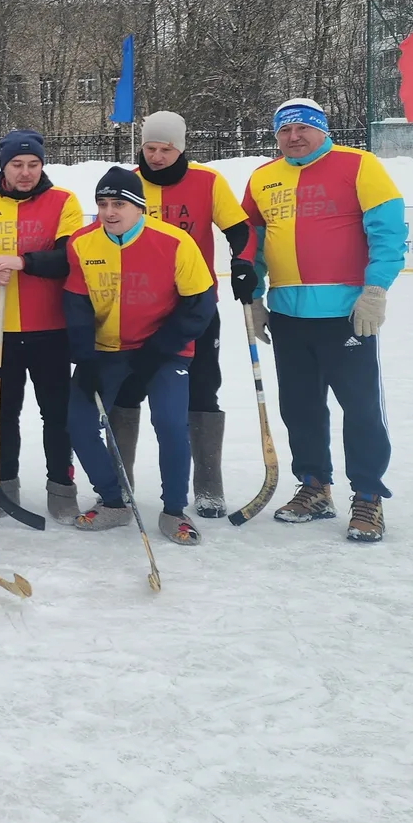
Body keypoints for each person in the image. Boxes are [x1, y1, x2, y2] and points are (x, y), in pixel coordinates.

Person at [242, 97, 404, 542]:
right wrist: (255, 296)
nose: (293, 138)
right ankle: (314, 487)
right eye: (284, 131)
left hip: (346, 316)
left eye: (302, 129)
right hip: (288, 315)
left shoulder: (359, 165)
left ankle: (368, 495)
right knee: (300, 408)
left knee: (361, 408)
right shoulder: (262, 178)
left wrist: (375, 290)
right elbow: (251, 244)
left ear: (322, 129)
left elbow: (388, 230)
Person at [108, 110, 253, 518]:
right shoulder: (128, 184)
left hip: (194, 305)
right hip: (135, 305)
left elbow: (239, 230)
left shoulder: (207, 182)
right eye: (150, 148)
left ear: (181, 147)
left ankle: (208, 484)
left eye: (165, 149)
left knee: (203, 388)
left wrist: (242, 263)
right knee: (127, 389)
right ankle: (121, 483)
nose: (156, 156)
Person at [63, 168, 216, 545]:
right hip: (106, 352)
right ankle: (114, 500)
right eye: (102, 204)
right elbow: (77, 304)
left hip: (163, 351)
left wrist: (157, 352)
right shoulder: (82, 242)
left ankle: (174, 510)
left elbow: (199, 306)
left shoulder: (175, 241)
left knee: (169, 423)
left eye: (119, 204)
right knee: (79, 423)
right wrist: (86, 359)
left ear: (139, 207)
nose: (109, 212)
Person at [0, 130, 85, 522]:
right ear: (3, 166)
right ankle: (0, 485)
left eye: (33, 165)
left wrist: (24, 262)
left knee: (56, 412)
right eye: (16, 165)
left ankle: (61, 485)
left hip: (50, 329)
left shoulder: (63, 201)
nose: (25, 173)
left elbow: (68, 257)